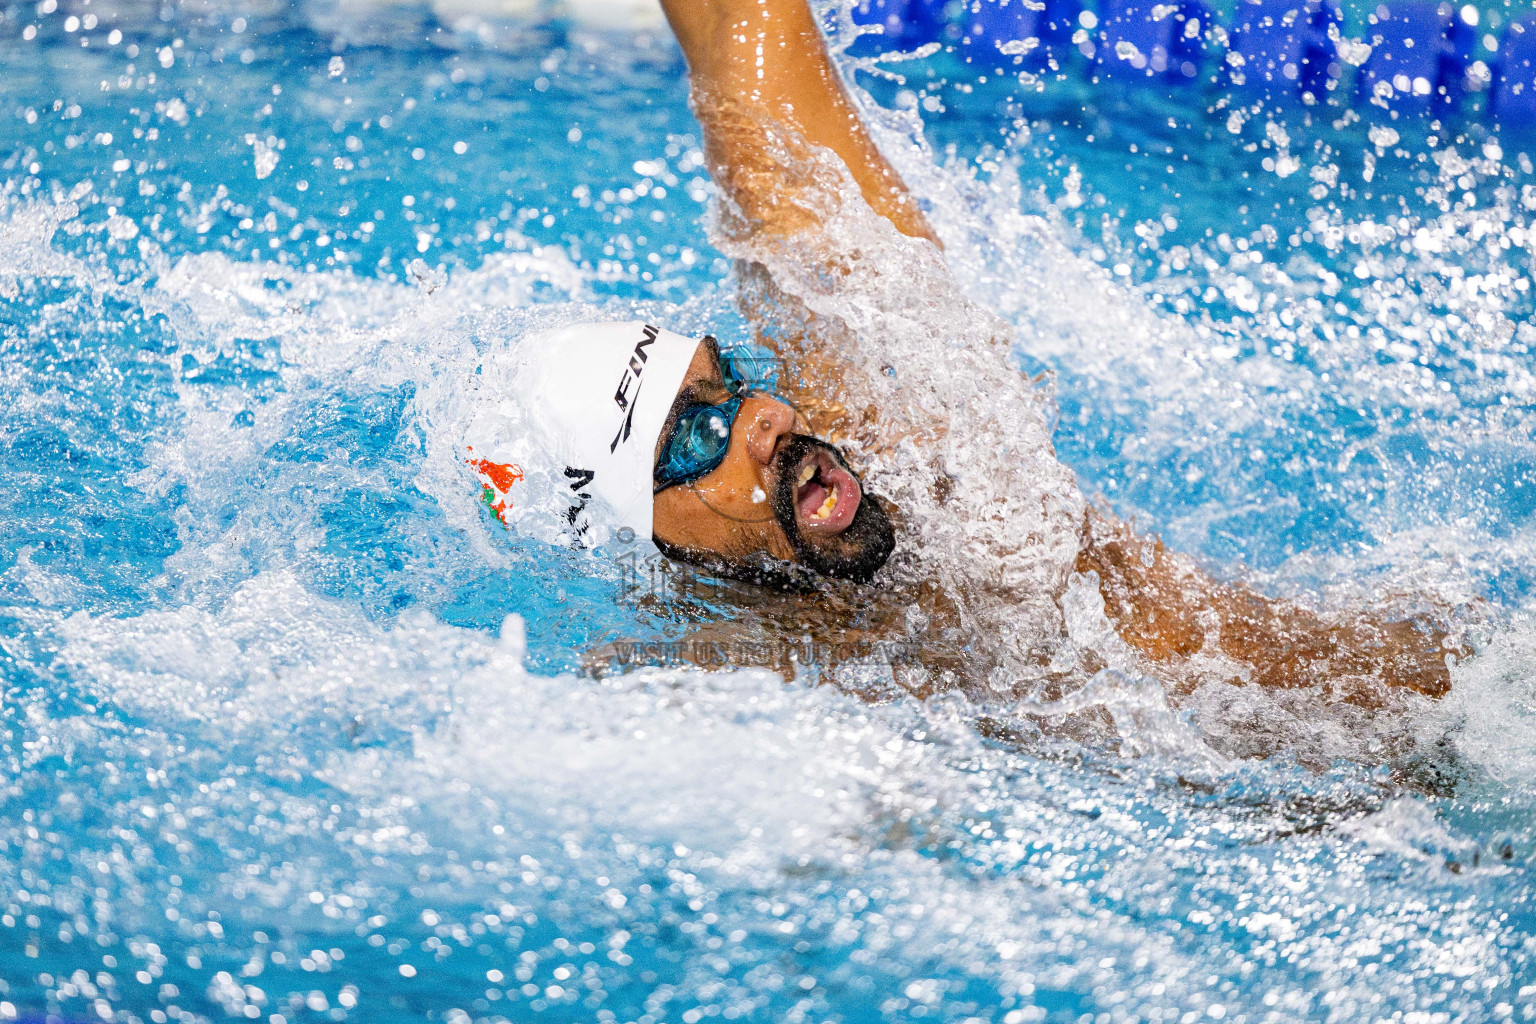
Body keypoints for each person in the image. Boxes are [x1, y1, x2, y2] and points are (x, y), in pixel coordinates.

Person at [468, 0, 1462, 710]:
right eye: (696, 431)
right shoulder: (736, 679)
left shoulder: (893, 406)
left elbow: (743, 31)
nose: (761, 417)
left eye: (726, 382)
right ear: (653, 532)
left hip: (1443, 702)